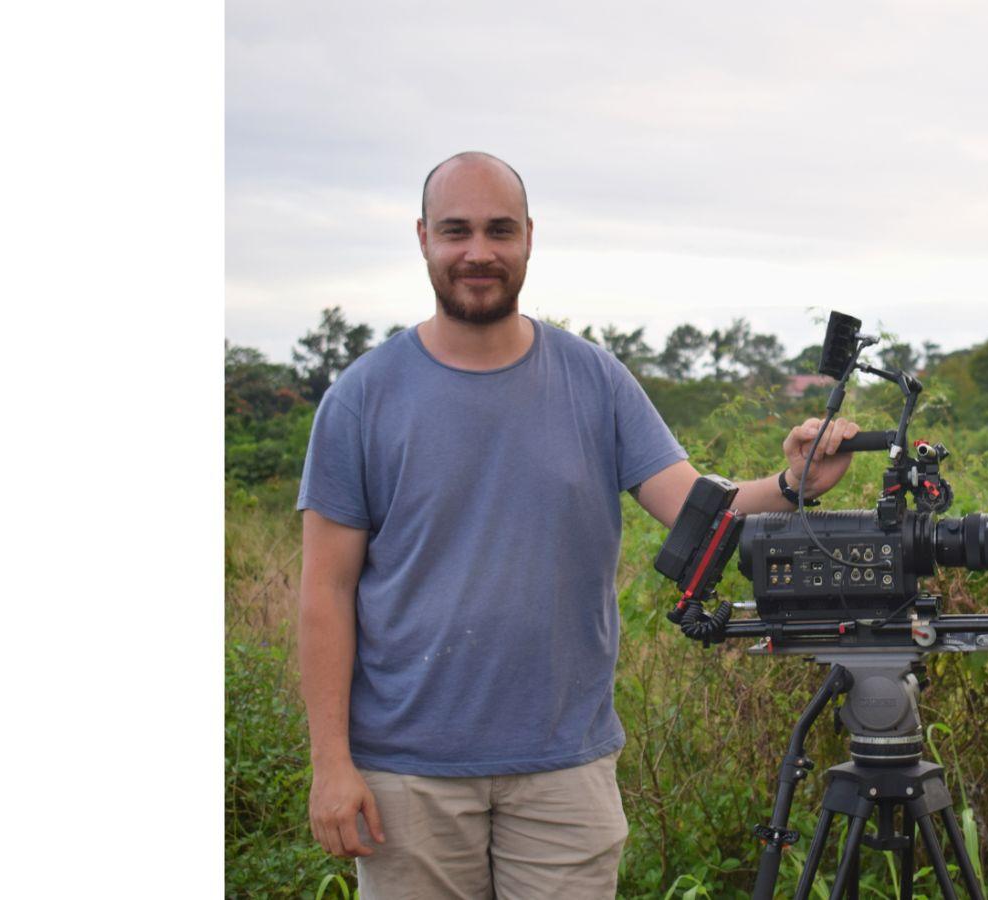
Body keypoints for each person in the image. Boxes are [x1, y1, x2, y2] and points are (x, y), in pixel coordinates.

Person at [296, 150, 860, 900]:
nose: (478, 253)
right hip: (407, 773)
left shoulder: (593, 378)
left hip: (564, 768)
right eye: (456, 231)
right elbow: (325, 594)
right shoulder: (363, 397)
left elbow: (698, 509)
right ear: (423, 237)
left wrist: (793, 483)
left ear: (528, 237)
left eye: (499, 231)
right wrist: (332, 766)